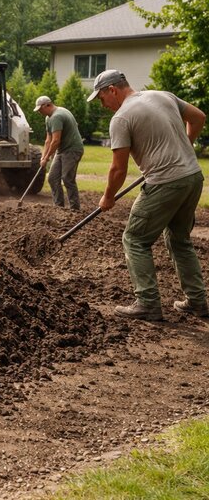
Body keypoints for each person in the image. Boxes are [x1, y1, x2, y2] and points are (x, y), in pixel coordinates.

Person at [88, 68, 208, 321]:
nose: (102, 104)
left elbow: (118, 169)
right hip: (192, 177)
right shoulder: (162, 95)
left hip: (165, 182)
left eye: (101, 97)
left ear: (112, 90)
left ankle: (148, 303)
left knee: (134, 239)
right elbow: (198, 117)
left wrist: (108, 196)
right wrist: (185, 145)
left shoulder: (121, 118)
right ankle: (197, 301)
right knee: (179, 239)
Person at [34, 95, 84, 210]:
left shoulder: (57, 116)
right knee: (52, 178)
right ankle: (59, 208)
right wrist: (43, 157)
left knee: (67, 178)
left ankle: (75, 209)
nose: (39, 112)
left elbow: (56, 141)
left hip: (72, 149)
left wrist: (47, 157)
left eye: (40, 109)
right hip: (62, 150)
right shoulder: (48, 118)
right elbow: (48, 140)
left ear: (47, 105)